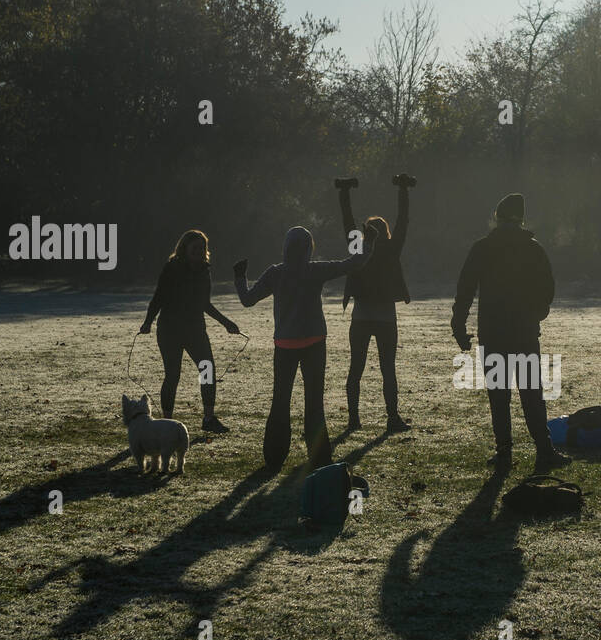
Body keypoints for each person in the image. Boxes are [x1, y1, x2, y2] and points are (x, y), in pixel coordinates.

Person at [235, 226, 370, 472]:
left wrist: (239, 277)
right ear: (309, 248)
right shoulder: (315, 269)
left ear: (285, 248)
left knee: (280, 400)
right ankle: (319, 458)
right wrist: (367, 241)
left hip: (285, 344)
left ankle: (274, 457)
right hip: (314, 343)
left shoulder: (276, 273)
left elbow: (248, 300)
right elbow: (353, 263)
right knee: (314, 402)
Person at [452, 192, 568, 472]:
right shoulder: (533, 249)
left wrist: (459, 324)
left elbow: (465, 288)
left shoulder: (482, 248)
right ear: (521, 220)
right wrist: (535, 314)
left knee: (499, 395)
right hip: (524, 333)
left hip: (492, 333)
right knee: (532, 393)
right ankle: (544, 449)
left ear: (497, 218)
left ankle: (504, 452)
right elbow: (547, 289)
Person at [139, 229, 240, 434]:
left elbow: (205, 304)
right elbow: (158, 297)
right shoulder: (172, 268)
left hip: (195, 330)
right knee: (172, 376)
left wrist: (226, 322)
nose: (199, 251)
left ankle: (209, 418)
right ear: (185, 249)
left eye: (202, 248)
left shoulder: (205, 270)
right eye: (195, 248)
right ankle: (167, 422)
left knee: (207, 371)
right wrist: (148, 322)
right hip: (170, 330)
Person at [336, 175, 413, 433]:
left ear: (366, 233)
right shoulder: (392, 249)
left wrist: (344, 191)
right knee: (387, 369)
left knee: (355, 368)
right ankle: (392, 418)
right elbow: (404, 221)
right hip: (385, 317)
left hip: (361, 315)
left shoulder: (359, 248)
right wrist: (403, 189)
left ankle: (354, 419)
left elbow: (347, 220)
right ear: (386, 233)